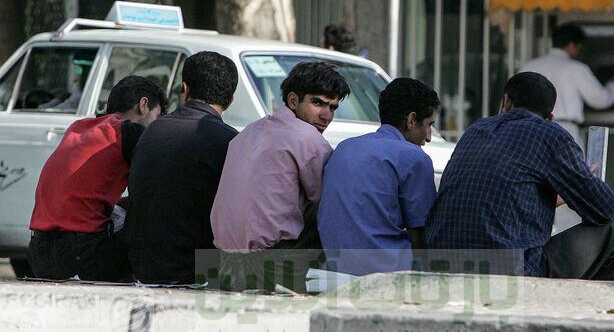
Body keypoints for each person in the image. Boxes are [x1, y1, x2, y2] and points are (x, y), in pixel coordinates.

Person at [425, 72, 614, 282]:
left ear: (506, 101)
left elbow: (506, 197)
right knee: (613, 235)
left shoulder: (475, 130)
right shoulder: (551, 135)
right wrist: (583, 183)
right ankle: (613, 304)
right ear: (550, 117)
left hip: (442, 261)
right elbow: (605, 209)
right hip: (509, 269)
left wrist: (560, 195)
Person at [211, 61, 351, 292]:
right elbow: (327, 203)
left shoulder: (248, 131)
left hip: (223, 258)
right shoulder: (309, 139)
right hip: (270, 260)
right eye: (318, 103)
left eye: (333, 107)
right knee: (336, 206)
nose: (326, 115)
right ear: (293, 100)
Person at [27, 76, 167, 281]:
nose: (156, 126)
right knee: (161, 210)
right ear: (143, 105)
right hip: (81, 254)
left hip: (39, 253)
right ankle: (197, 280)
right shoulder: (130, 131)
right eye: (157, 116)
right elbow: (156, 191)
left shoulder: (78, 127)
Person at [124, 51, 239, 284]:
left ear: (184, 89)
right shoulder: (231, 141)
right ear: (230, 100)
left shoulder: (152, 131)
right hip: (194, 270)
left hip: (141, 264)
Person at [318, 78, 439, 276]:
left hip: (333, 270)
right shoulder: (414, 157)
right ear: (411, 120)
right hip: (388, 276)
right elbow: (423, 235)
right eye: (429, 125)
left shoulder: (344, 148)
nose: (429, 136)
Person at [520, 23, 614, 145]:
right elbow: (600, 100)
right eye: (579, 47)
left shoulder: (529, 66)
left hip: (531, 131)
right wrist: (613, 85)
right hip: (565, 130)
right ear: (572, 45)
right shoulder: (576, 68)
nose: (578, 51)